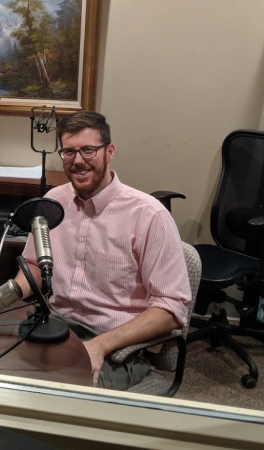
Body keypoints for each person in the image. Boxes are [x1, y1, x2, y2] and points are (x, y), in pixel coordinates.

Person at [14, 110, 191, 390]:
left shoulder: (149, 216)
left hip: (118, 348)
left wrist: (99, 345)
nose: (78, 161)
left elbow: (172, 307)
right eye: (69, 152)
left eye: (88, 150)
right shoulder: (52, 202)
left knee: (58, 392)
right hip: (57, 327)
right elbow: (34, 266)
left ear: (109, 152)